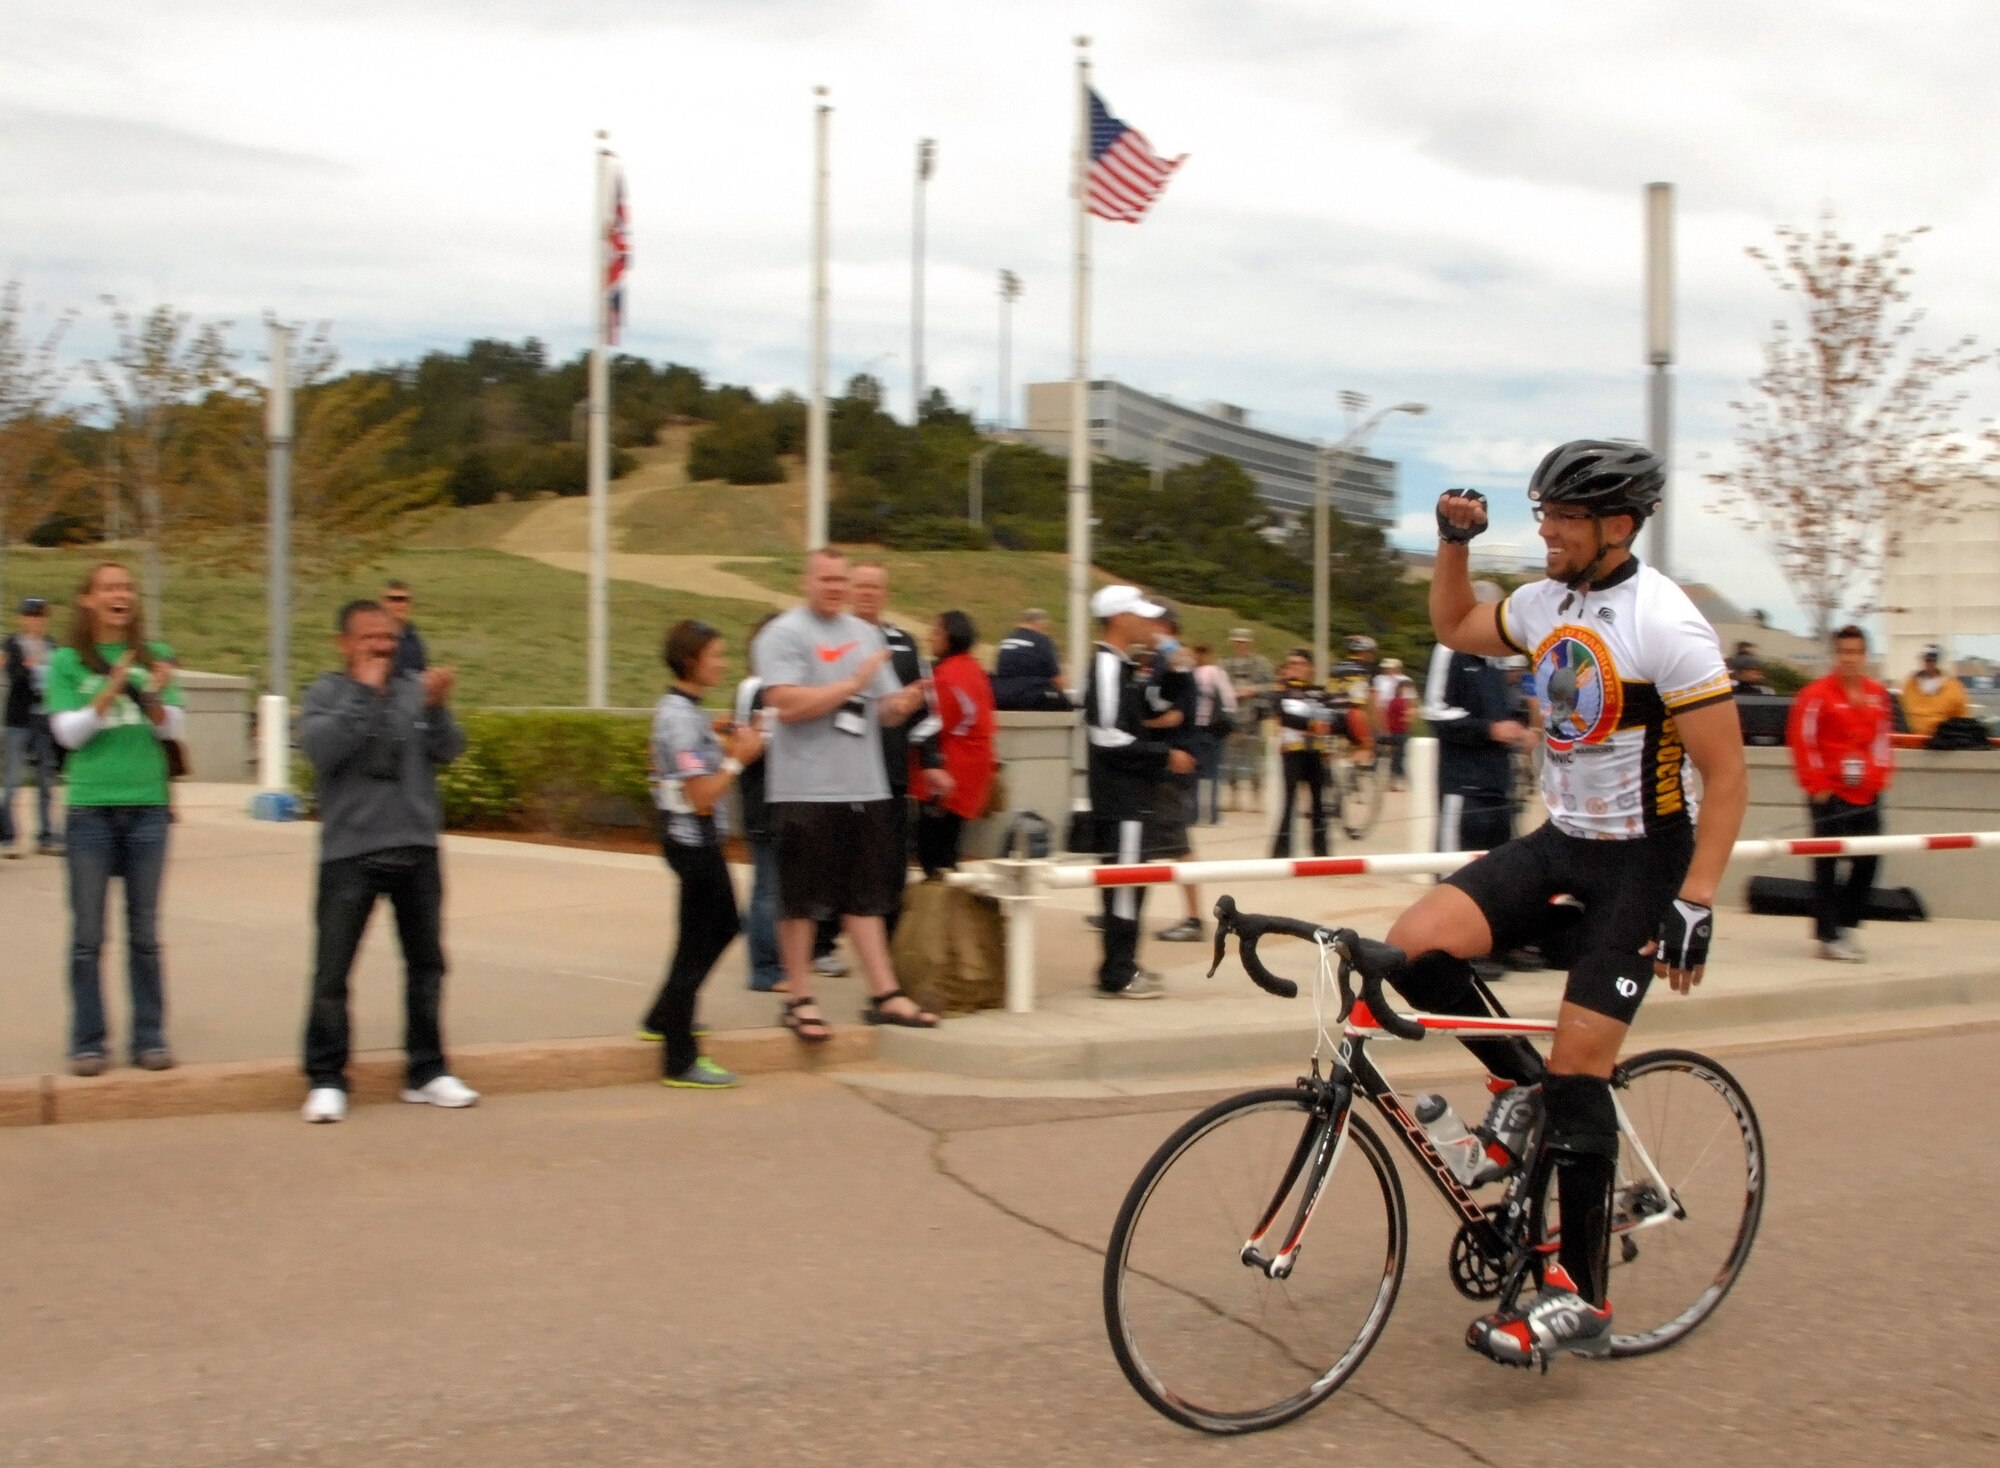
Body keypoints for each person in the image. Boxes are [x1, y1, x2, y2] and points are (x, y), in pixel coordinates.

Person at [1388, 443, 1746, 1369]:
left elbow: (1729, 774)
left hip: (1644, 857)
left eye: (1562, 518)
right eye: (1541, 513)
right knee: (1415, 946)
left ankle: (1578, 1293)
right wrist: (1451, 544)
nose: (1543, 528)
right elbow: (1458, 626)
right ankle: (1516, 1090)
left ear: (1617, 526)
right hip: (1562, 837)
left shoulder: (1666, 623)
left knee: (1582, 1061)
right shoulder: (1547, 602)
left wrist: (1696, 899)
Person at [297, 599, 475, 1123]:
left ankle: (427, 1071)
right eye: (371, 637)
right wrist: (363, 692)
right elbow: (323, 751)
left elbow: (450, 751)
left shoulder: (413, 690)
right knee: (333, 972)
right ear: (344, 643)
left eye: (390, 637)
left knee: (427, 965)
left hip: (416, 846)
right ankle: (327, 1078)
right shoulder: (326, 693)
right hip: (350, 851)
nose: (383, 646)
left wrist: (438, 707)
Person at [752, 548, 937, 1041]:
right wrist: (851, 682)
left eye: (842, 580)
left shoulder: (865, 635)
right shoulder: (785, 634)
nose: (835, 587)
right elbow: (786, 705)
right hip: (805, 787)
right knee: (801, 901)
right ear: (806, 580)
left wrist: (905, 702)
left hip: (865, 786)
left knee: (866, 898)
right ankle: (799, 998)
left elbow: (883, 710)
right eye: (826, 579)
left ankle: (885, 995)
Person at [45, 563, 185, 1077]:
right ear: (88, 600)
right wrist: (111, 687)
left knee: (144, 933)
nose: (120, 594)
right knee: (88, 935)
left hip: (147, 806)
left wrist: (151, 693)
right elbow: (69, 735)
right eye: (108, 588)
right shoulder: (65, 662)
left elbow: (171, 728)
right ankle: (88, 1041)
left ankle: (149, 1036)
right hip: (90, 810)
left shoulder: (158, 657)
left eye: (126, 586)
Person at [639, 620, 765, 1089]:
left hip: (691, 840)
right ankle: (679, 1052)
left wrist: (716, 734)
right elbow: (702, 796)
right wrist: (738, 758)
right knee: (712, 932)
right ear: (692, 660)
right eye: (716, 655)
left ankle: (662, 1017)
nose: (723, 663)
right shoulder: (678, 718)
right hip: (694, 841)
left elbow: (678, 762)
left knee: (699, 934)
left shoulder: (682, 711)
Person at [1083, 585, 1190, 998]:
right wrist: (1163, 756)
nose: (1149, 624)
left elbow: (1151, 711)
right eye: (1140, 616)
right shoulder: (1107, 667)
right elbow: (1106, 735)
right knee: (1125, 890)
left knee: (1132, 887)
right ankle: (1118, 972)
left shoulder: (1124, 667)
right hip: (1121, 799)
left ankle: (1123, 966)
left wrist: (1176, 670)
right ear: (1118, 619)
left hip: (1131, 796)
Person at [850, 562, 945, 937]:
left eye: (875, 587)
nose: (869, 593)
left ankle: (890, 944)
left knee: (890, 861)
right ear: (850, 591)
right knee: (841, 859)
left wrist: (932, 761)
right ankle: (823, 943)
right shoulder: (833, 642)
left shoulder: (905, 644)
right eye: (861, 587)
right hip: (842, 774)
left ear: (885, 593)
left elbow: (928, 710)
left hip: (889, 775)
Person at [1787, 625, 1894, 962]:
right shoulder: (1816, 694)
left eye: (1856, 652)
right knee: (1827, 865)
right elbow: (1802, 740)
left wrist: (1879, 777)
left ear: (1864, 655)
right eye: (1844, 652)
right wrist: (1816, 784)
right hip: (1828, 792)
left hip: (1866, 792)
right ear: (1836, 655)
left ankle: (1844, 923)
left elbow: (1881, 739)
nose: (1850, 658)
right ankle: (1829, 935)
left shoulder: (1877, 693)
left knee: (1870, 859)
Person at [1422, 641, 1529, 856]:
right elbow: (1434, 712)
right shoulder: (1450, 651)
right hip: (1463, 790)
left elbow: (1502, 714)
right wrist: (1490, 729)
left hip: (1499, 790)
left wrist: (1520, 731)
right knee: (1453, 874)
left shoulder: (1498, 659)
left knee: (1498, 877)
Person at [916, 610, 996, 875]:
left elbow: (936, 724)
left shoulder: (947, 676)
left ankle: (939, 909)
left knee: (934, 850)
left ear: (951, 637)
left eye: (937, 632)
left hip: (951, 769)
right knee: (949, 844)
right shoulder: (973, 669)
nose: (930, 637)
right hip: (972, 766)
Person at [732, 613, 786, 993]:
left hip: (779, 799)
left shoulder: (775, 686)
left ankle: (776, 961)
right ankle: (765, 968)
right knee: (768, 888)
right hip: (765, 799)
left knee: (774, 887)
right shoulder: (757, 687)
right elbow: (752, 745)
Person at [1146, 607, 1206, 944]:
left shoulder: (1175, 660)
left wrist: (1136, 726)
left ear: (1165, 626)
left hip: (1174, 759)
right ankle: (1122, 906)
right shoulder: (1157, 662)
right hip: (1160, 760)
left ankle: (1194, 918)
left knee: (1177, 840)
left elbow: (1174, 716)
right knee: (1143, 840)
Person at [3, 596, 62, 856]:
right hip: (19, 719)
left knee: (45, 780)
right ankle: (6, 836)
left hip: (44, 718)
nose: (36, 621)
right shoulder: (13, 644)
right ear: (23, 619)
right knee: (13, 779)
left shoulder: (51, 645)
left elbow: (59, 677)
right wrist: (29, 667)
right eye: (31, 616)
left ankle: (46, 835)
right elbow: (14, 676)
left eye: (40, 616)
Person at [1269, 649, 1334, 858]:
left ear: (1310, 667)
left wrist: (1328, 745)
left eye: (1299, 663)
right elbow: (1286, 717)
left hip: (1315, 752)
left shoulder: (1320, 692)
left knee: (1318, 805)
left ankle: (1321, 853)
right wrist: (1312, 725)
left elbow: (1331, 720)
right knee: (1289, 803)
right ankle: (1280, 853)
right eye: (1291, 663)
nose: (1293, 667)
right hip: (1293, 752)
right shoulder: (1281, 691)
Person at [1220, 629, 1273, 812]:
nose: (1240, 645)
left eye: (1243, 642)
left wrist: (1253, 690)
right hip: (1232, 715)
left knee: (1255, 758)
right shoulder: (1225, 664)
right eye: (1237, 642)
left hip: (1254, 716)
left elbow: (1272, 686)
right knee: (1231, 756)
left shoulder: (1261, 664)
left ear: (1250, 644)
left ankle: (1256, 797)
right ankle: (1233, 797)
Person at [1189, 643, 1238, 824]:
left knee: (1192, 772)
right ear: (1209, 654)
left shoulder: (1190, 673)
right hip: (1214, 728)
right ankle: (1213, 816)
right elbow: (1228, 699)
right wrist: (1231, 725)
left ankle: (1192, 815)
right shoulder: (1217, 673)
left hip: (1194, 728)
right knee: (1215, 773)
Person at [991, 608, 1070, 712]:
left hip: (1001, 698)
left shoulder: (1006, 640)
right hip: (1032, 698)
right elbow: (1057, 679)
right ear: (1039, 624)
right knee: (1067, 705)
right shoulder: (1042, 641)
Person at [1900, 643, 1969, 741]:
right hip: (1912, 742)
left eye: (1932, 659)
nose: (1929, 663)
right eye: (1927, 659)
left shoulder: (1954, 688)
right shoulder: (1909, 685)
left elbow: (1962, 718)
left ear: (1938, 661)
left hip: (1942, 743)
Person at [1374, 657, 1413, 791]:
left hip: (1396, 726)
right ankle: (1398, 779)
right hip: (1396, 727)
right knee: (1399, 755)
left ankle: (1395, 779)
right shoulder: (1382, 681)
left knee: (1398, 755)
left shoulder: (1399, 695)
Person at [382, 579, 428, 678]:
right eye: (394, 599)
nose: (399, 605)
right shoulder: (374, 636)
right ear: (383, 603)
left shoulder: (413, 638)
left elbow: (421, 672)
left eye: (403, 599)